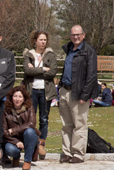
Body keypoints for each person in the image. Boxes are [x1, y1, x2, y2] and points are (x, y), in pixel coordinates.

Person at [59, 25, 99, 163]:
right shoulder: (69, 49)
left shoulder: (89, 51)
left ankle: (78, 154)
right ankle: (67, 152)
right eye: (73, 35)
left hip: (79, 93)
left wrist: (85, 95)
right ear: (70, 36)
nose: (75, 37)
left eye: (78, 34)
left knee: (80, 124)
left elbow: (92, 75)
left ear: (83, 35)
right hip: (65, 91)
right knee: (66, 125)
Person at [22, 30, 58, 159]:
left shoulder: (50, 55)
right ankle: (30, 143)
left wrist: (34, 70)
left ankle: (41, 143)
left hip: (45, 91)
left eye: (44, 40)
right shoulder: (29, 55)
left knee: (44, 118)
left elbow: (53, 72)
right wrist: (43, 69)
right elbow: (27, 70)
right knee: (30, 118)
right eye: (40, 39)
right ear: (35, 41)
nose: (43, 42)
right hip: (32, 91)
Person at [3, 86, 40, 170]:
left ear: (24, 99)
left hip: (28, 137)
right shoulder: (5, 110)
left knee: (30, 131)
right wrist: (16, 142)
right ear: (11, 97)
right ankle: (16, 157)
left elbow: (31, 124)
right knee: (9, 150)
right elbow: (4, 131)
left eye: (20, 97)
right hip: (13, 139)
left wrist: (14, 130)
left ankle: (27, 161)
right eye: (15, 96)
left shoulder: (29, 107)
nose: (17, 99)